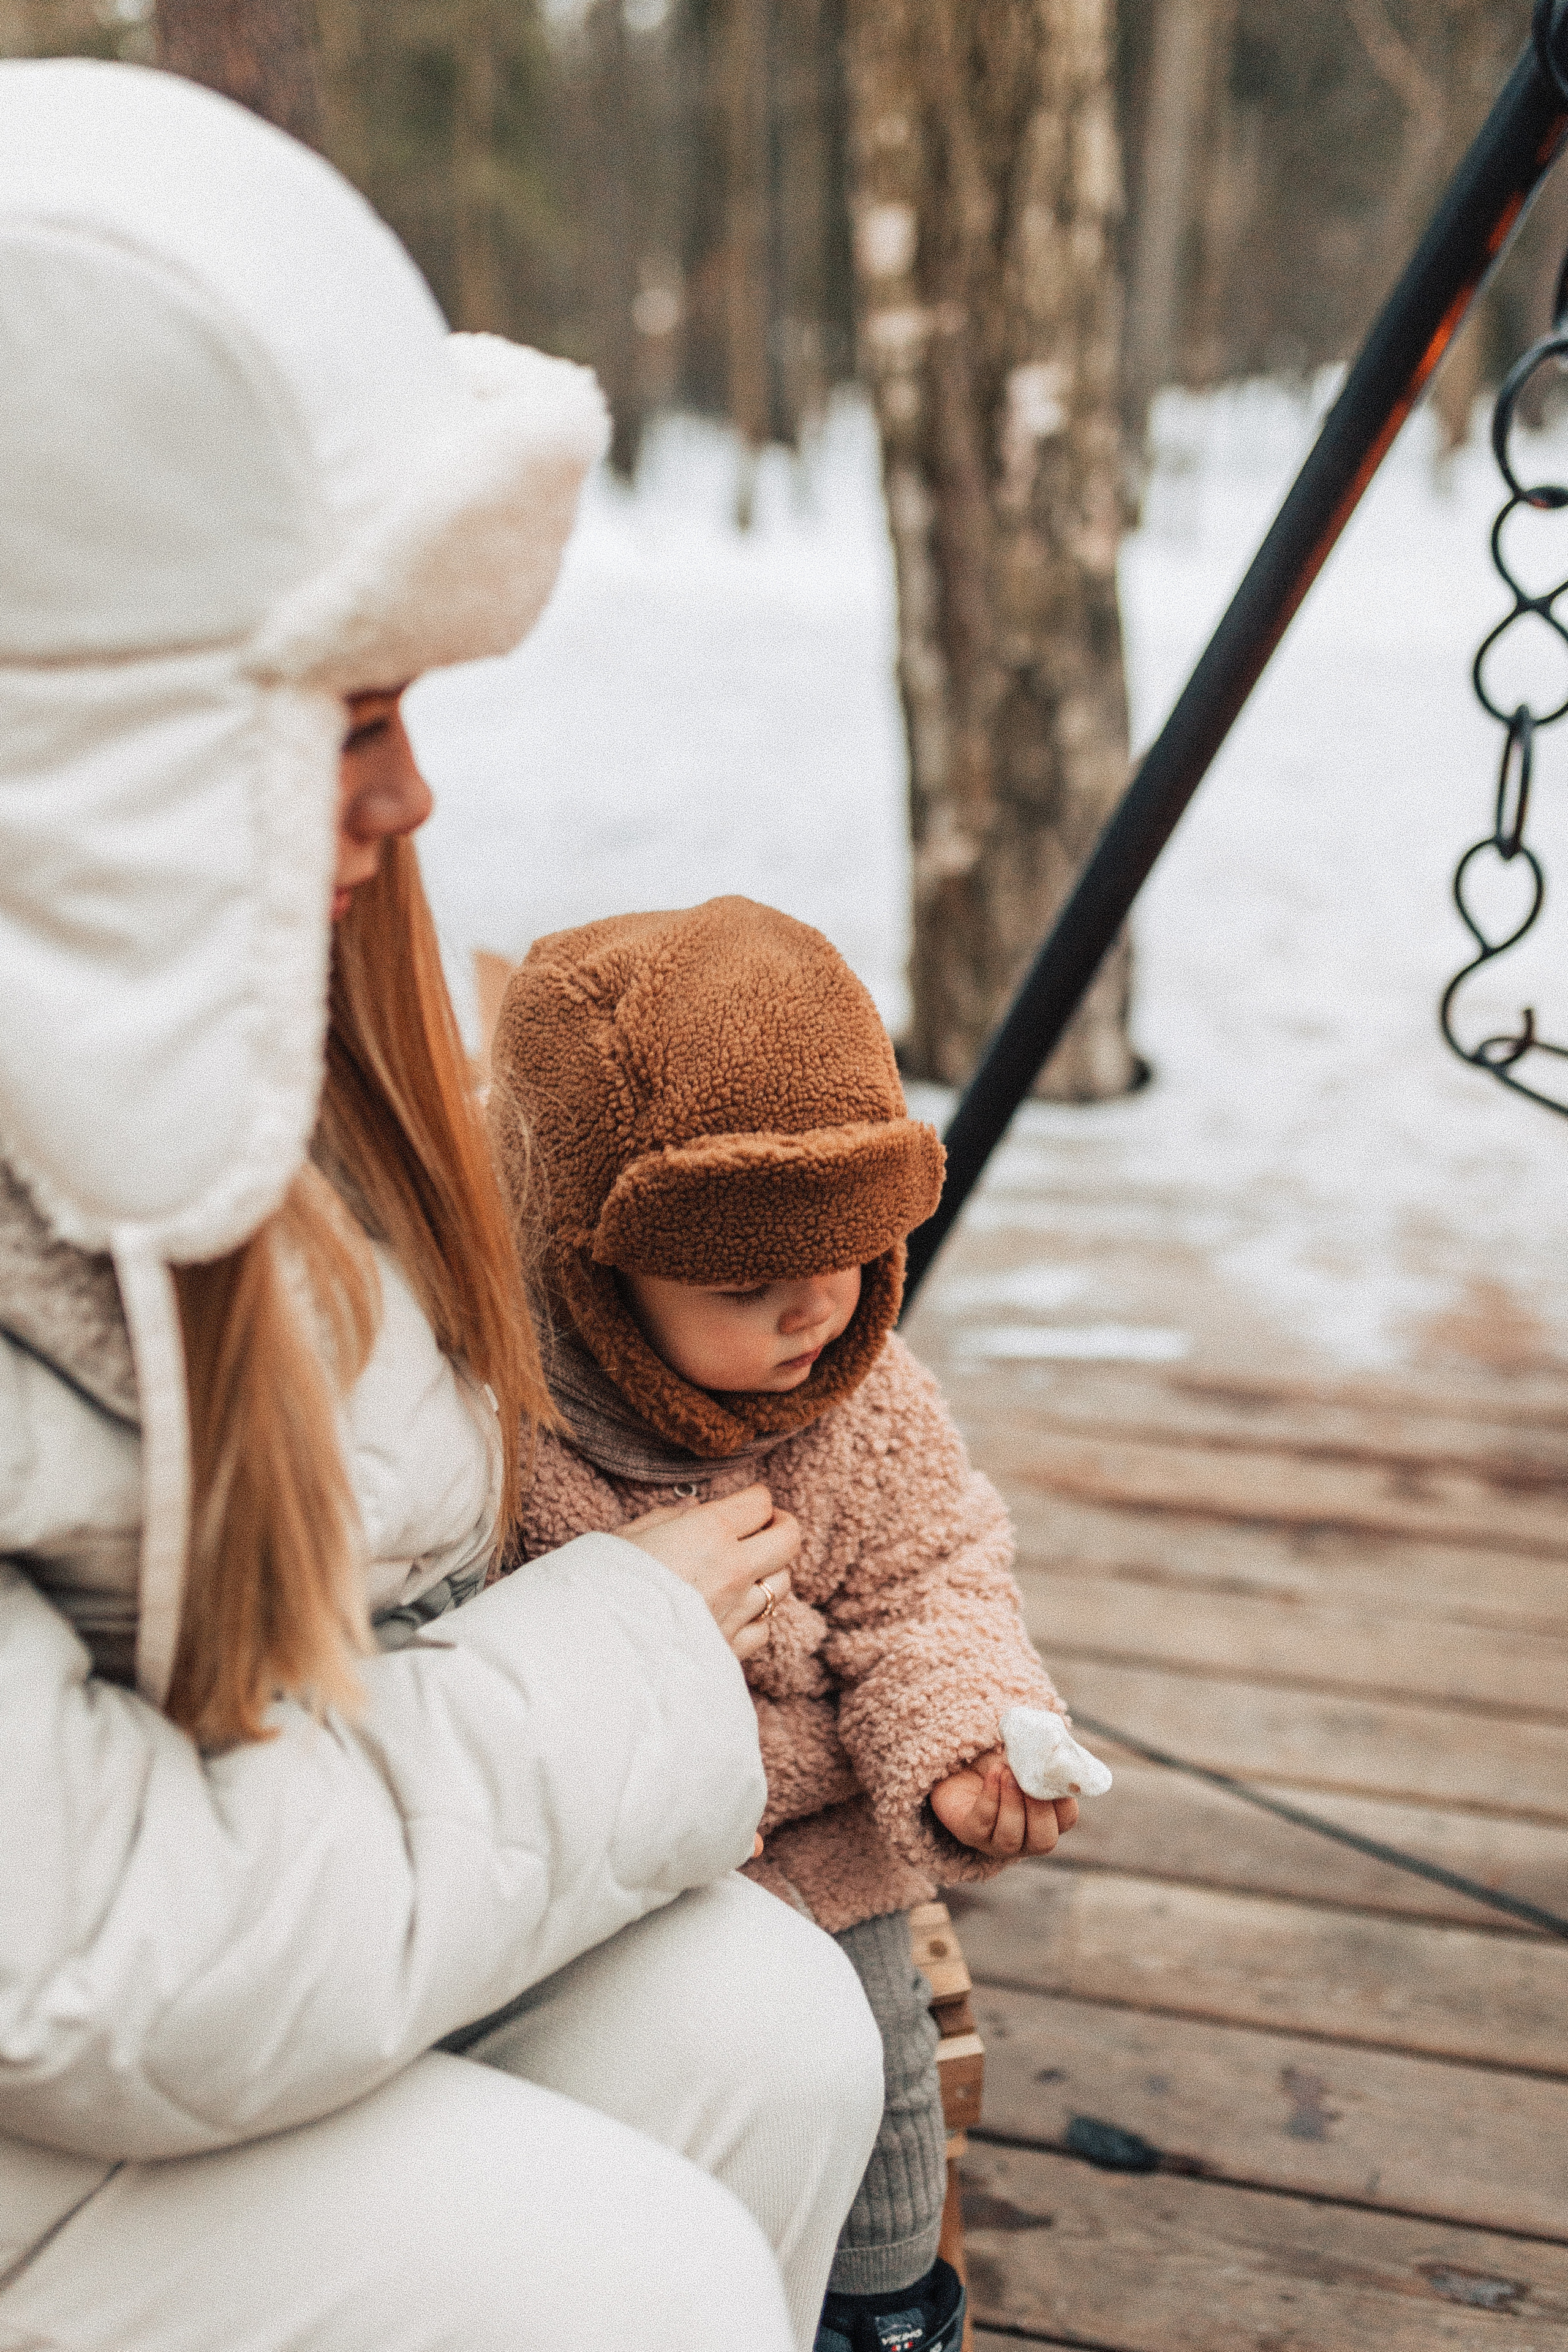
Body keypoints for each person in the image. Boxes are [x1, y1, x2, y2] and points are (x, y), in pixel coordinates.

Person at [0, 61, 883, 2352]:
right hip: (70, 2025)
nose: (413, 789)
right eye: (340, 712)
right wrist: (634, 1661)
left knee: (763, 2034)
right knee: (633, 2285)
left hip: (176, 1991)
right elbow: (94, 1945)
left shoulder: (250, 1043)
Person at [486, 896, 1082, 2352]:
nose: (816, 1311)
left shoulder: (861, 1404)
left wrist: (955, 1741)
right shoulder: (503, 1431)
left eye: (848, 1253)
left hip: (807, 1854)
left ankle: (875, 2320)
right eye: (745, 1285)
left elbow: (933, 1578)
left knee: (877, 2085)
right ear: (593, 1276)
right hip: (584, 1876)